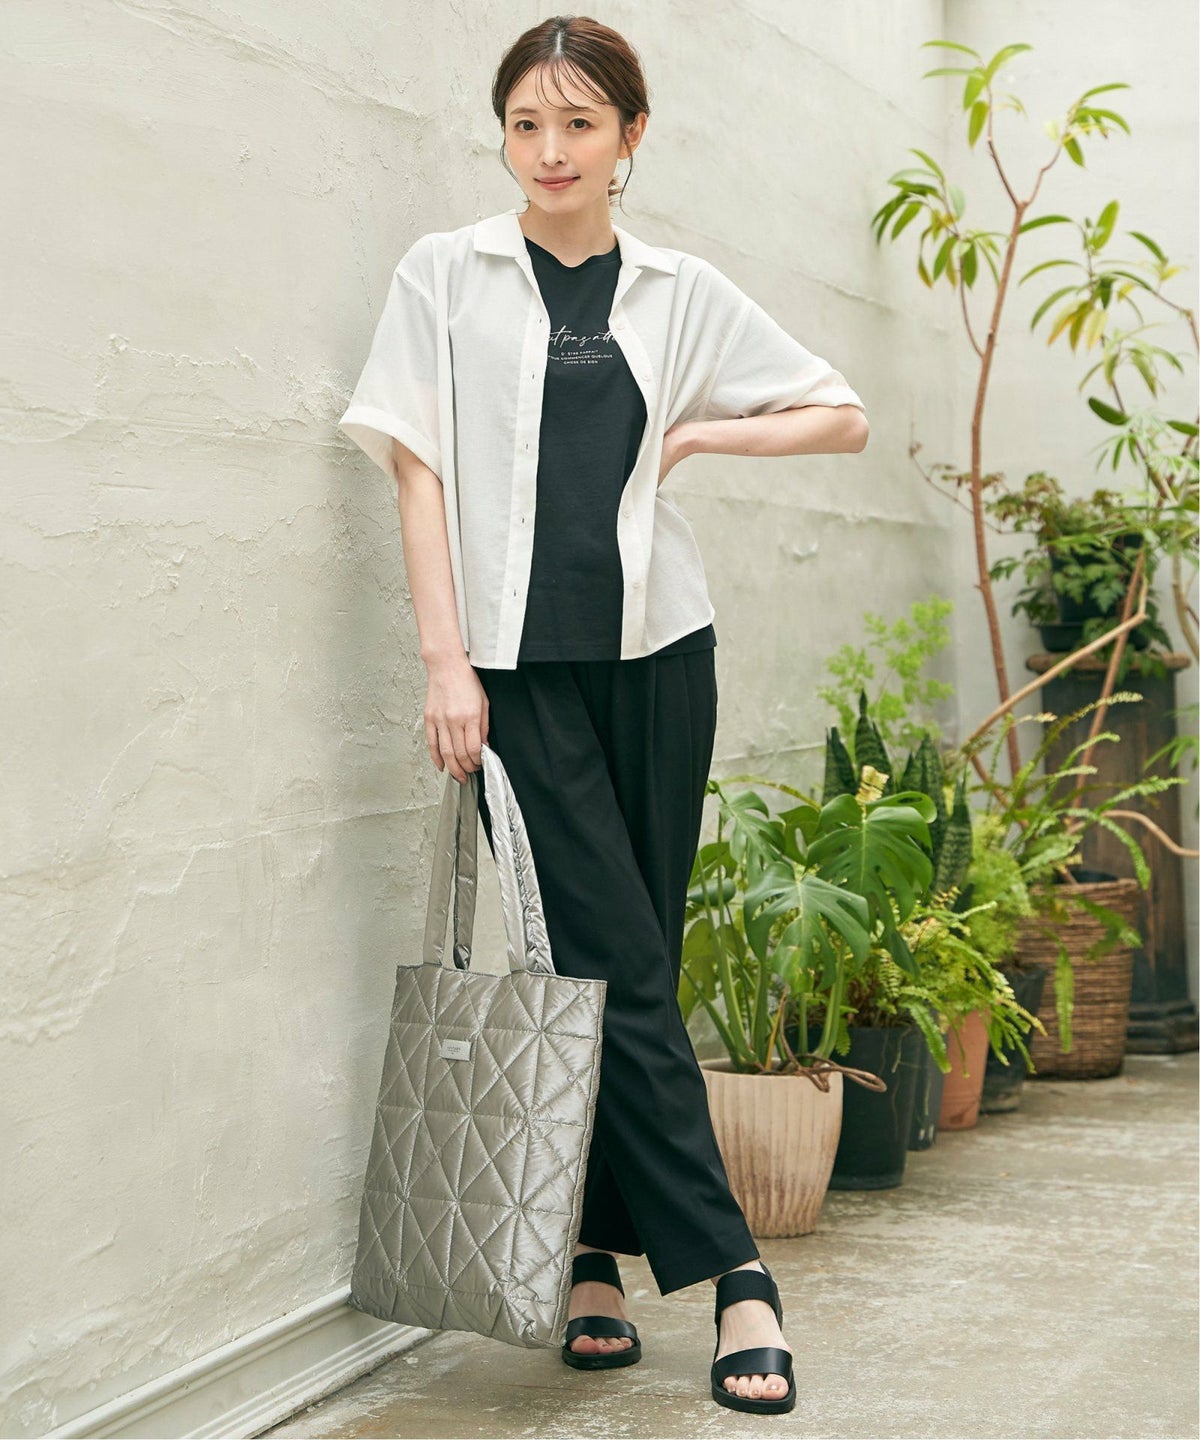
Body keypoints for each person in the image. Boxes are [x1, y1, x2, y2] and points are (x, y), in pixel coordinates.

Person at [338, 14, 867, 1417]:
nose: (550, 150)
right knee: (616, 964)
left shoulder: (681, 291)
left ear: (631, 137)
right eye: (527, 124)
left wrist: (703, 433)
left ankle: (588, 1256)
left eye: (579, 124)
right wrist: (445, 664)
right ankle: (737, 1270)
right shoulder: (444, 275)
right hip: (514, 673)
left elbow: (842, 414)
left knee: (633, 958)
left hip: (658, 656)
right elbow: (415, 472)